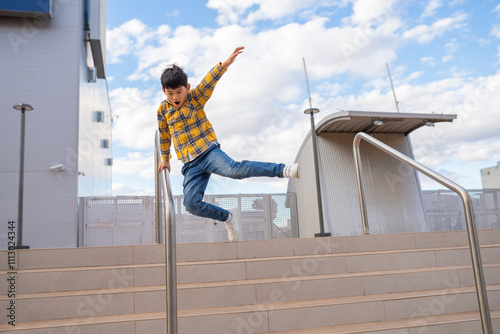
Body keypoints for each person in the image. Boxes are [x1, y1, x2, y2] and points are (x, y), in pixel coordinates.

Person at [157, 46, 299, 242]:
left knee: (234, 170)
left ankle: (282, 170)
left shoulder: (195, 98)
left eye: (179, 92)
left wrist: (223, 65)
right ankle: (228, 217)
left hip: (207, 152)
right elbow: (164, 134)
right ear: (164, 90)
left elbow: (208, 82)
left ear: (187, 88)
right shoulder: (163, 110)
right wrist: (165, 158)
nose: (175, 98)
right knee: (190, 204)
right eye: (170, 93)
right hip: (190, 164)